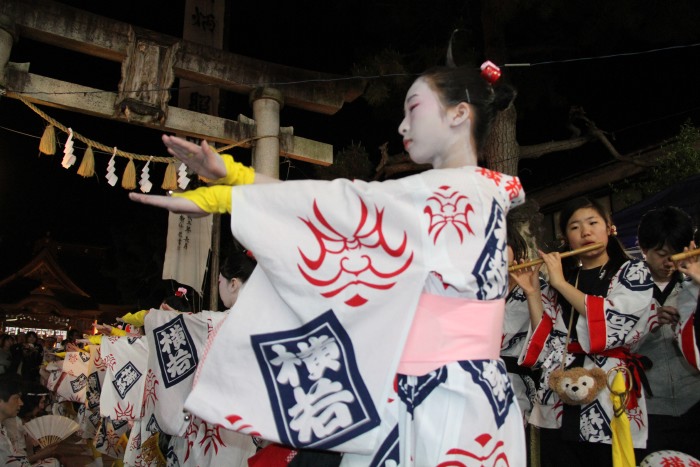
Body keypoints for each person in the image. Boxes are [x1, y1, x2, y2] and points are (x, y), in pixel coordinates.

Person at [131, 62, 526, 466]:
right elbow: (345, 208)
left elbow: (343, 207)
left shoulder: (452, 195)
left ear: (459, 114)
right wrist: (233, 181)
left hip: (437, 399)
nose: (403, 127)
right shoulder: (465, 194)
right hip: (449, 393)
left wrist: (230, 187)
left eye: (414, 109)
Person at [519, 197, 654, 467]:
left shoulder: (633, 272)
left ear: (609, 228)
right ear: (566, 238)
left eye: (593, 223)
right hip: (559, 390)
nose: (586, 232)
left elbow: (612, 324)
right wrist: (533, 292)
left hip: (609, 389)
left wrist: (559, 283)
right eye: (575, 227)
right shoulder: (564, 278)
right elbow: (546, 339)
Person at [634, 206, 700, 460]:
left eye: (675, 254)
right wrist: (645, 323)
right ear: (643, 249)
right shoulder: (624, 291)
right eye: (661, 254)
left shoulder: (692, 286)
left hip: (694, 403)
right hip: (650, 411)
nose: (669, 263)